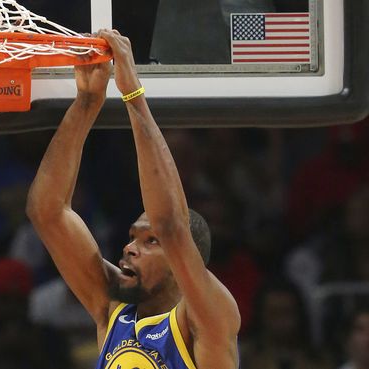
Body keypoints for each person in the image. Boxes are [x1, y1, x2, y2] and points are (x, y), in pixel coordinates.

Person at [26, 29, 240, 369]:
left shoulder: (207, 320)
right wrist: (86, 104)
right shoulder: (113, 313)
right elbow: (47, 211)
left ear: (184, 262)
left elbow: (171, 225)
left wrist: (133, 95)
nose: (129, 248)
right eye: (132, 237)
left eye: (149, 240)